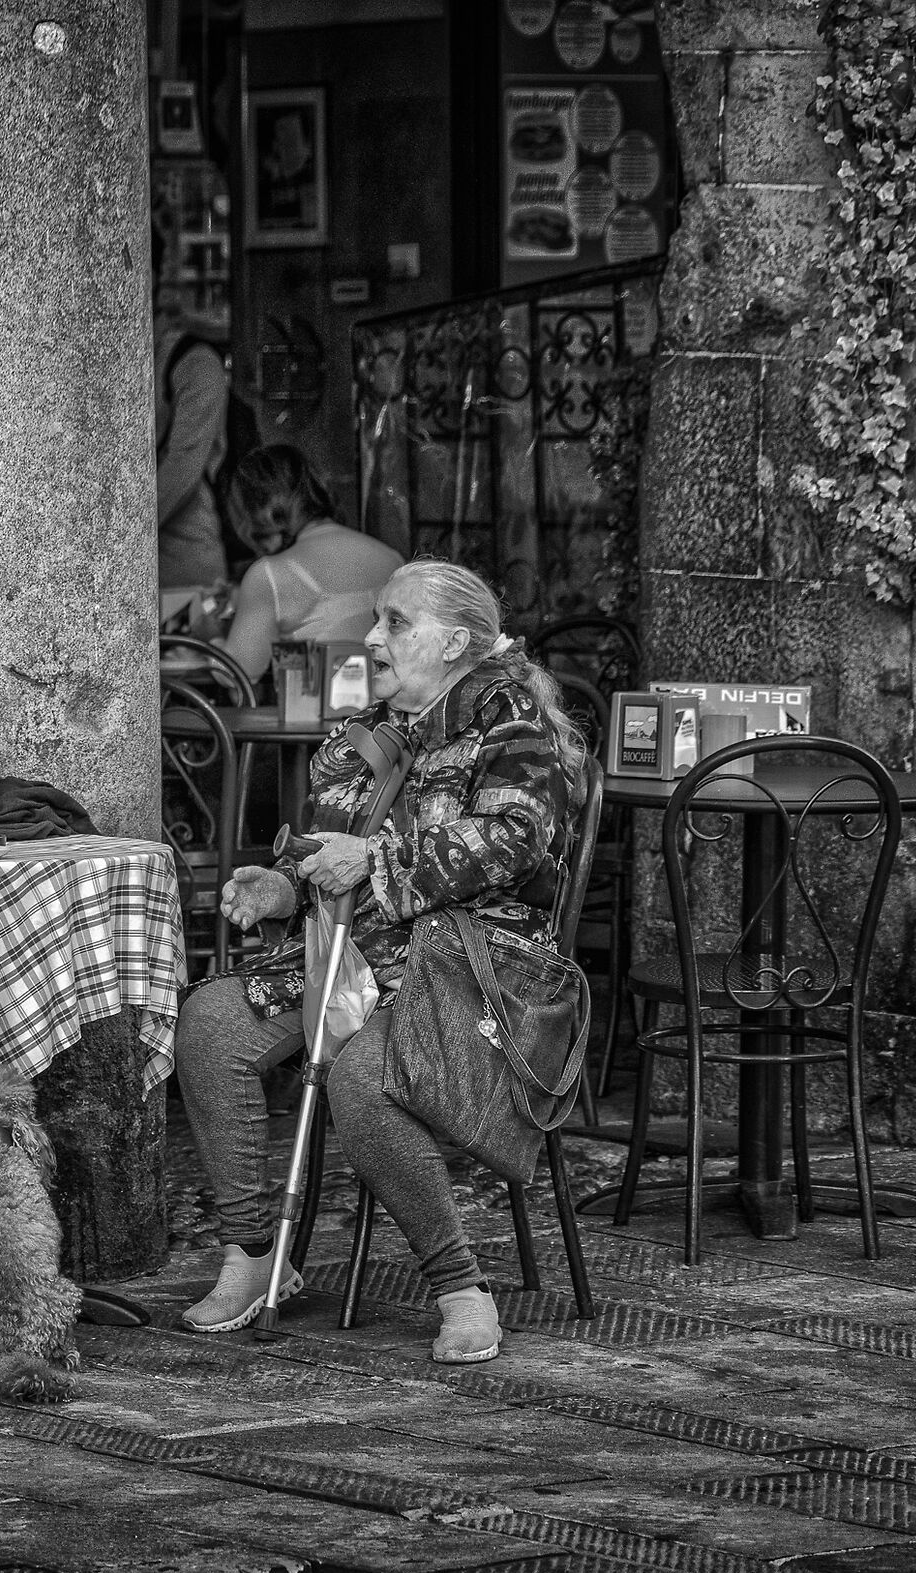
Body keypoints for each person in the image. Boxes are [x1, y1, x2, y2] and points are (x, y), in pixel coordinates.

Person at [173, 559, 585, 1365]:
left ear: (458, 640)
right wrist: (284, 886)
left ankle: (460, 1286)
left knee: (366, 1073)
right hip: (360, 960)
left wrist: (378, 860)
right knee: (210, 1024)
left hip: (476, 973)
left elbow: (513, 840)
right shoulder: (377, 732)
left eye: (396, 622)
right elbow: (335, 849)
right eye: (378, 618)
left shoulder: (515, 730)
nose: (372, 637)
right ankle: (256, 1253)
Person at [216, 445, 404, 685]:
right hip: (387, 718)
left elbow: (236, 676)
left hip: (315, 719)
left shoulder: (269, 574)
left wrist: (212, 639)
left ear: (251, 512)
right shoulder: (392, 558)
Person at [155, 305, 234, 618]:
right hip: (160, 554)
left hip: (188, 556)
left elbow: (185, 464)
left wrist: (127, 537)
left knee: (200, 645)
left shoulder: (196, 364)